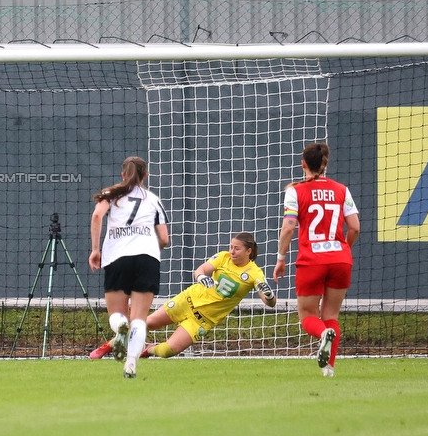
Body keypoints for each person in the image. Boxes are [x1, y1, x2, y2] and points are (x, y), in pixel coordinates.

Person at [273, 142, 359, 378]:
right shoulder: (342, 189)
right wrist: (343, 250)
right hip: (341, 260)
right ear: (325, 164)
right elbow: (354, 227)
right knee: (331, 316)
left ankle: (322, 335)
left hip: (312, 260)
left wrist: (281, 258)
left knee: (309, 316)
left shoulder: (295, 191)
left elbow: (289, 228)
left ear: (303, 164)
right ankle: (328, 368)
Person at [87, 156, 169, 378]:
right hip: (147, 258)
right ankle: (131, 363)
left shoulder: (111, 194)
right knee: (140, 318)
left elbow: (96, 215)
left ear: (123, 174)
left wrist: (95, 250)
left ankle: (121, 327)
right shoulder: (153, 200)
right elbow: (164, 238)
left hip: (117, 258)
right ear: (145, 176)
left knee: (117, 315)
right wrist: (151, 251)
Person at [141, 232, 276, 358]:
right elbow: (201, 269)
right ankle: (122, 336)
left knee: (167, 351)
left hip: (202, 320)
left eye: (237, 248)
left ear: (249, 251)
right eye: (231, 247)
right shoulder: (223, 257)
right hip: (188, 300)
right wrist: (201, 277)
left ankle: (150, 349)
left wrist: (269, 295)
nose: (232, 252)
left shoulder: (255, 273)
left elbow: (270, 303)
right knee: (148, 323)